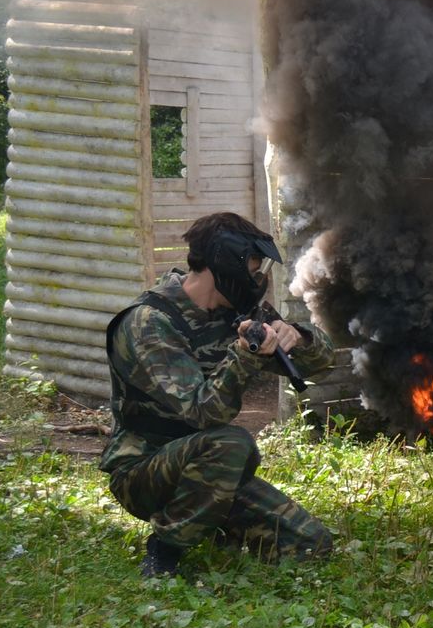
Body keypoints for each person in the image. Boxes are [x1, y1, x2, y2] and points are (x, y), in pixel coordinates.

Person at [101, 212, 335, 578]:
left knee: (309, 544)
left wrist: (298, 337)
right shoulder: (150, 323)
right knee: (232, 443)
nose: (258, 279)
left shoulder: (234, 311)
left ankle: (208, 524)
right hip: (144, 470)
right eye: (253, 268)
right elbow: (203, 414)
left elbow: (321, 364)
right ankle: (165, 549)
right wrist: (245, 355)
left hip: (210, 471)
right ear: (224, 262)